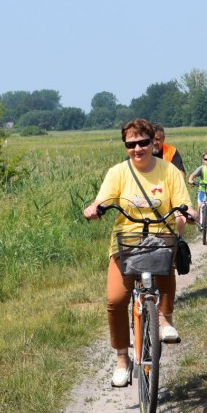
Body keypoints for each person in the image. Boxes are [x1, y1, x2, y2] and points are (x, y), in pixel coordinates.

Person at [84, 118, 190, 388]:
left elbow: (182, 202)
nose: (138, 149)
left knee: (165, 257)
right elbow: (104, 198)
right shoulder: (118, 172)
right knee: (116, 299)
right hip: (127, 239)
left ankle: (165, 319)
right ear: (125, 146)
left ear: (153, 142)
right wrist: (96, 208)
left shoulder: (168, 171)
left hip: (160, 233)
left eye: (143, 142)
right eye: (131, 144)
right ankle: (122, 358)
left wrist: (188, 212)